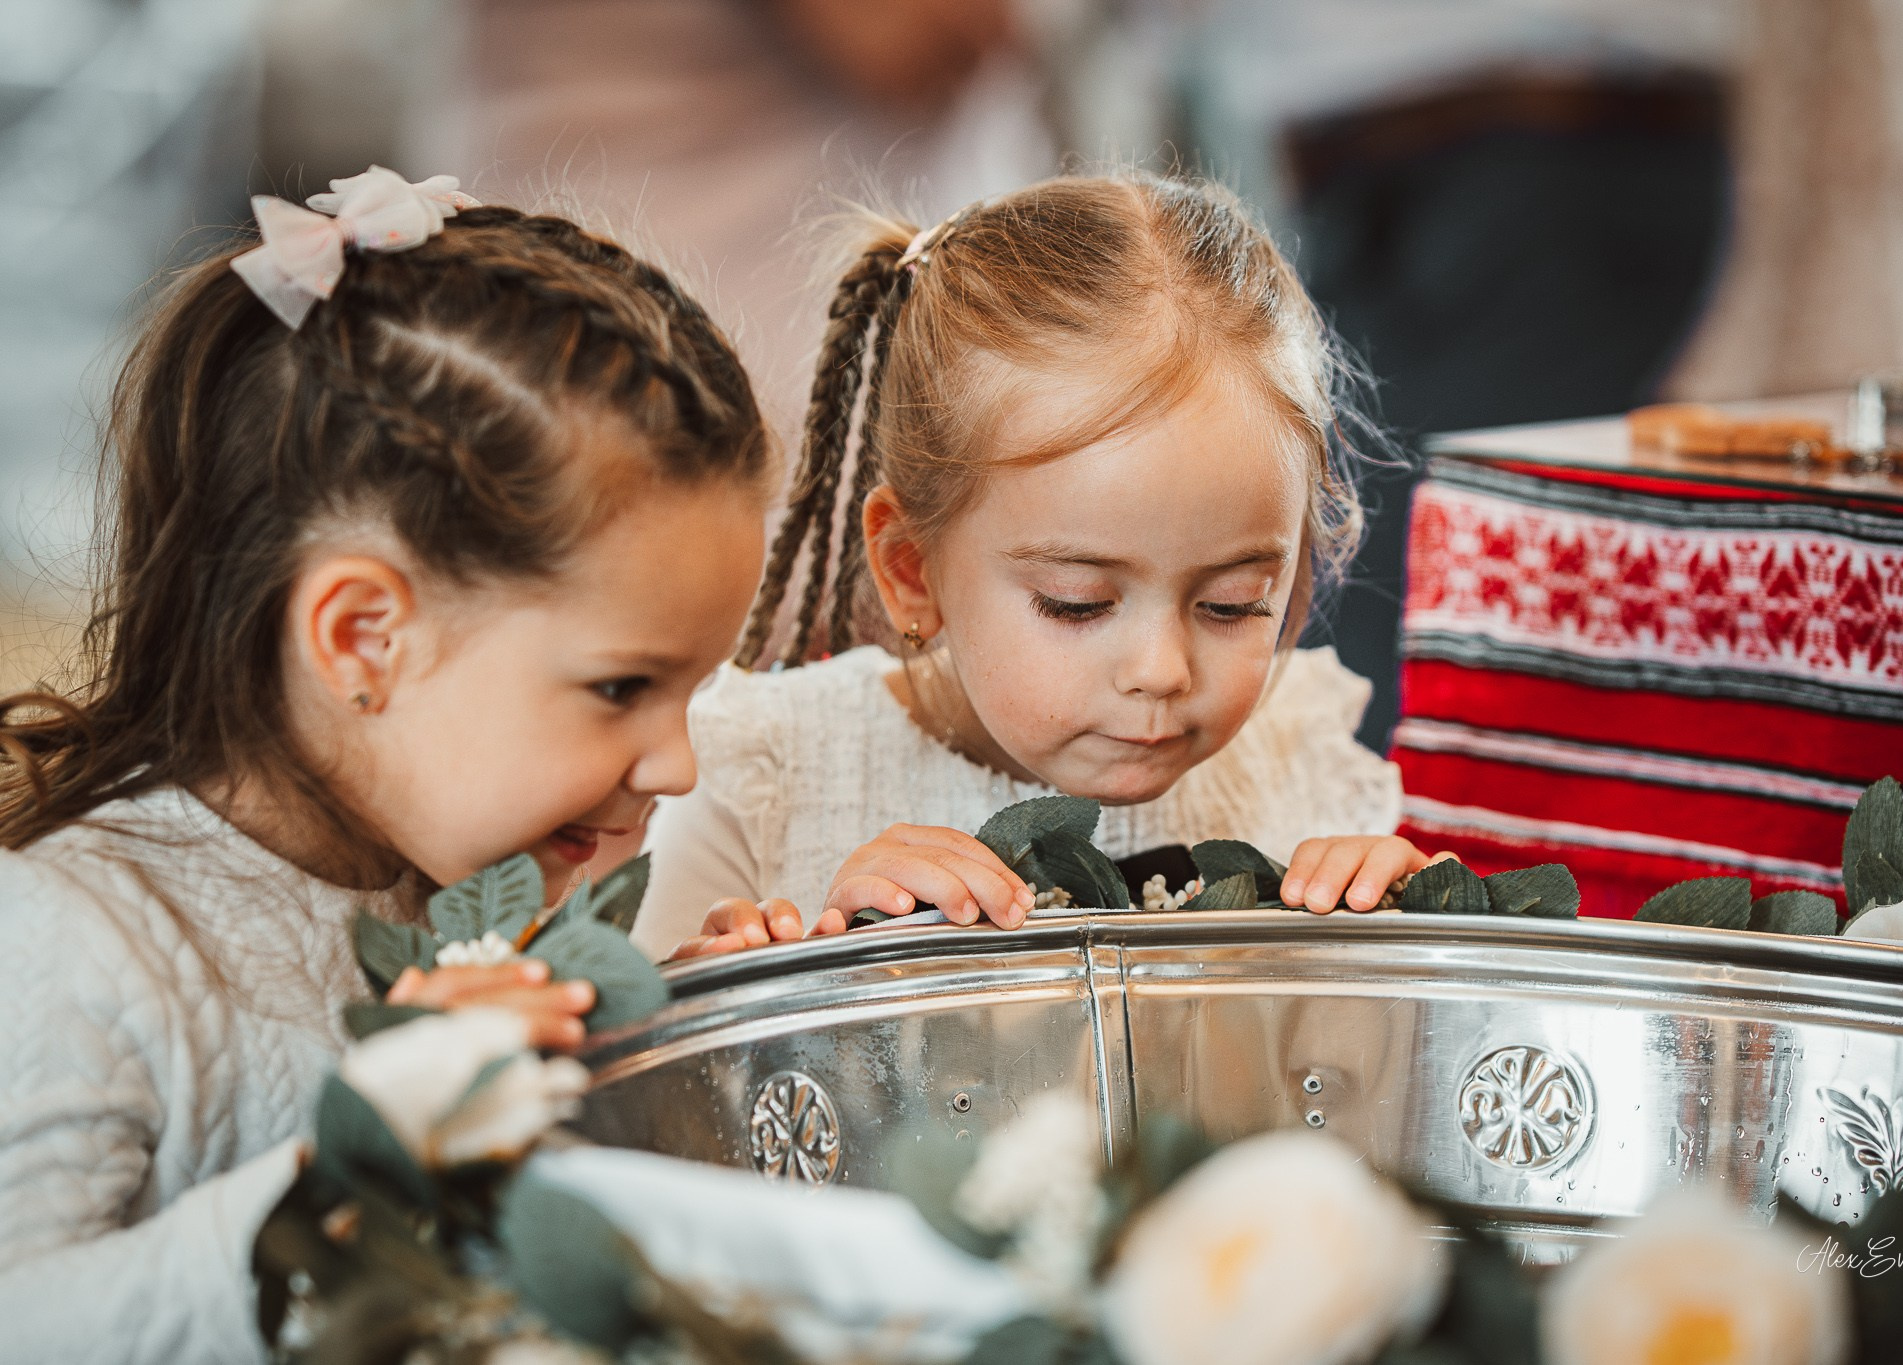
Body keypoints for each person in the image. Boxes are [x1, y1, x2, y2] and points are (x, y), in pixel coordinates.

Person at [0, 168, 772, 1361]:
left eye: (693, 690)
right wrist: (354, 1161)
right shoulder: (77, 938)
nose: (674, 764)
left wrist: (678, 1041)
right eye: (623, 688)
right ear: (364, 637)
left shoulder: (461, 882)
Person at [637, 172, 1435, 960]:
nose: (1161, 671)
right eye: (1075, 602)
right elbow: (638, 1065)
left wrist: (1409, 940)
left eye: (1232, 603)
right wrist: (814, 966)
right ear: (913, 567)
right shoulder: (761, 778)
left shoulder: (1307, 767)